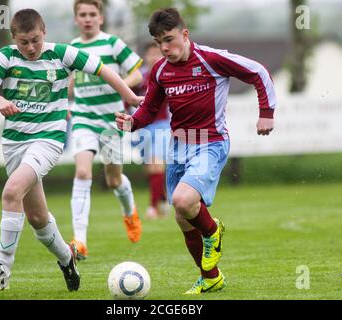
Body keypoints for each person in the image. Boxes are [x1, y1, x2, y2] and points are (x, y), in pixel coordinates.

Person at [0, 8, 142, 291]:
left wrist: (131, 97)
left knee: (11, 191)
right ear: (14, 38)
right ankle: (67, 258)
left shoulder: (62, 54)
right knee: (38, 218)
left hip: (48, 140)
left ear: (44, 33)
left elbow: (104, 70)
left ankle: (2, 268)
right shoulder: (5, 56)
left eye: (35, 40)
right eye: (24, 42)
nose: (30, 48)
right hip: (14, 143)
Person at [116, 8, 276, 294]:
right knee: (182, 215)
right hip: (178, 145)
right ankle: (211, 276)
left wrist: (266, 112)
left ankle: (213, 232)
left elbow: (258, 72)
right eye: (158, 41)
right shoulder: (160, 70)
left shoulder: (211, 59)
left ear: (185, 34)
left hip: (210, 141)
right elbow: (150, 109)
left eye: (169, 39)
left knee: (181, 199)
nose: (164, 47)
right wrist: (132, 122)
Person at [68, 0, 143, 260]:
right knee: (82, 171)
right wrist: (62, 102)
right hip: (82, 118)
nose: (87, 19)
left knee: (113, 179)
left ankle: (130, 211)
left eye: (92, 14)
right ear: (76, 19)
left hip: (112, 121)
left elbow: (138, 73)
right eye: (82, 15)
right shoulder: (72, 48)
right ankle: (80, 241)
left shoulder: (112, 44)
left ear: (100, 17)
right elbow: (68, 83)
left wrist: (120, 84)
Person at [133, 42, 171, 219]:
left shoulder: (168, 74)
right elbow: (128, 97)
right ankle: (162, 197)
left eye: (158, 53)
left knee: (156, 164)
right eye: (151, 53)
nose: (154, 56)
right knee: (150, 168)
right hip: (143, 127)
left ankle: (153, 207)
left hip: (162, 125)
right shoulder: (139, 76)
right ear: (145, 57)